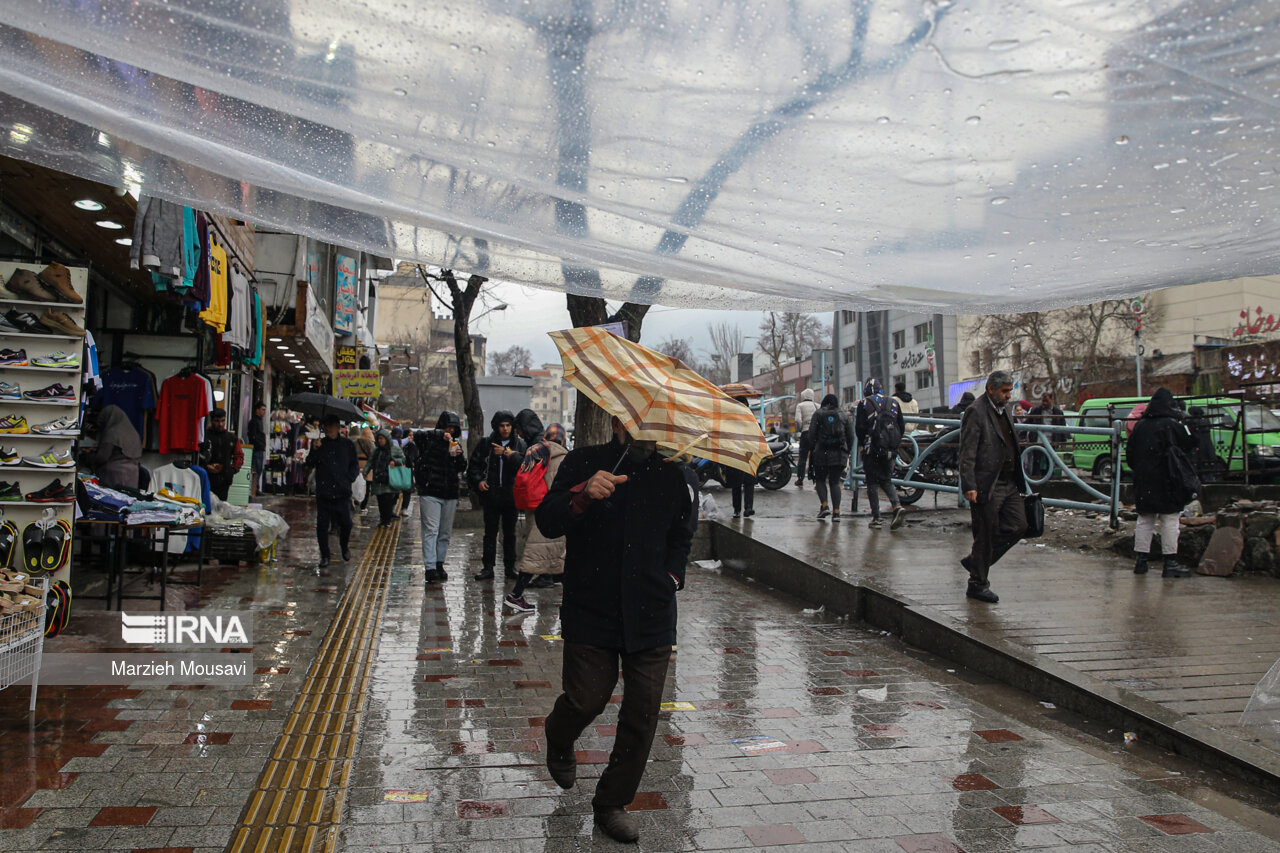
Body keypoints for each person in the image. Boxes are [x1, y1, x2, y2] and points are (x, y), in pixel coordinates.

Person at [535, 416, 696, 844]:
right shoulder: (583, 463)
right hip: (593, 607)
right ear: (617, 423)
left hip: (652, 613)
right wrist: (582, 495)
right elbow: (548, 521)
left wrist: (672, 577)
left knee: (643, 714)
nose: (650, 432)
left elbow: (683, 534)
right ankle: (559, 733)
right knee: (587, 698)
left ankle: (611, 801)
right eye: (639, 422)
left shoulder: (675, 475)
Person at [958, 370, 1028, 603]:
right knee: (986, 532)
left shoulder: (1004, 410)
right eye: (1005, 391)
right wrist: (969, 484)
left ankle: (976, 561)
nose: (1009, 396)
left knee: (1019, 525)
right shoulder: (976, 411)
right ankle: (977, 584)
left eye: (1010, 391)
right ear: (991, 389)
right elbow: (967, 451)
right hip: (987, 482)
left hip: (1008, 480)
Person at [1128, 388, 1196, 577]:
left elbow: (1130, 455)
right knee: (1170, 519)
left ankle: (1141, 561)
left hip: (1144, 480)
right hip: (1168, 480)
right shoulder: (1172, 425)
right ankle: (1170, 562)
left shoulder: (1140, 426)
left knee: (1145, 519)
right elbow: (1190, 444)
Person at [504, 422, 570, 613]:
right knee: (538, 555)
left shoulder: (538, 452)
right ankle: (515, 595)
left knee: (556, 557)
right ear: (563, 439)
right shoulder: (561, 457)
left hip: (535, 509)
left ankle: (573, 600)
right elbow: (556, 487)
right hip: (552, 514)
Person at [467, 410, 527, 580]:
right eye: (502, 426)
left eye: (508, 425)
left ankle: (510, 566)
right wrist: (479, 481)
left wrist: (510, 456)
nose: (505, 429)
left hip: (510, 495)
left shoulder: (519, 445)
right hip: (491, 494)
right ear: (496, 427)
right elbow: (474, 466)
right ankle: (488, 567)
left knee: (510, 533)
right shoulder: (486, 444)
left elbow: (525, 466)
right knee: (490, 533)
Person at [413, 412, 466, 583]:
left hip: (449, 492)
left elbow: (461, 467)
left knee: (444, 532)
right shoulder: (430, 440)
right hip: (430, 491)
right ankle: (430, 567)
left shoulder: (455, 444)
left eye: (453, 428)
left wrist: (458, 456)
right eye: (448, 427)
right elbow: (417, 436)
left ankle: (439, 562)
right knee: (431, 530)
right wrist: (438, 435)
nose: (450, 430)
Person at [305, 414, 359, 567]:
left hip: (342, 492)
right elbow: (309, 463)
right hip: (324, 492)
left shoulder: (347, 445)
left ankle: (344, 546)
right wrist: (315, 450)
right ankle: (325, 555)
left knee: (346, 523)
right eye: (326, 426)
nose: (328, 429)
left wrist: (349, 478)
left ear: (338, 427)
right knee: (322, 525)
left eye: (331, 426)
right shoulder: (320, 444)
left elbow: (354, 465)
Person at [855, 379, 907, 530]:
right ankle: (897, 505)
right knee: (886, 479)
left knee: (872, 481)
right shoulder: (894, 403)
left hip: (872, 448)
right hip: (890, 449)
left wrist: (863, 444)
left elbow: (860, 428)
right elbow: (901, 426)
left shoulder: (864, 403)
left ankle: (876, 517)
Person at [807, 393, 854, 520]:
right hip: (839, 454)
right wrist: (847, 451)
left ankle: (825, 505)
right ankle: (837, 512)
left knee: (820, 480)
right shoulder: (843, 415)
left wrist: (813, 448)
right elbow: (851, 436)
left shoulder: (818, 414)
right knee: (835, 482)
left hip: (821, 452)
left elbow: (811, 435)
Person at [93, 404, 142, 491]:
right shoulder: (133, 432)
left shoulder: (112, 433)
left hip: (114, 475)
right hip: (133, 474)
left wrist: (88, 457)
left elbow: (102, 457)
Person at [725, 395, 758, 519]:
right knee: (737, 484)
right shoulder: (730, 419)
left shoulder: (750, 419)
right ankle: (738, 509)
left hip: (747, 453)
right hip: (736, 453)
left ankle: (747, 508)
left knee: (747, 483)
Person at [364, 429, 406, 527]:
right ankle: (383, 519)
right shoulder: (376, 450)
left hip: (389, 479)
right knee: (381, 501)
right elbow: (370, 461)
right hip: (378, 479)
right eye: (378, 438)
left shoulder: (395, 449)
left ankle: (386, 520)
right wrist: (366, 471)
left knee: (387, 501)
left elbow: (403, 459)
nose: (380, 440)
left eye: (382, 438)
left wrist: (395, 461)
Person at [200, 408, 243, 501]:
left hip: (224, 479)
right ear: (212, 421)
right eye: (217, 421)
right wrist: (205, 466)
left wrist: (232, 470)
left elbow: (239, 455)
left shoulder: (231, 438)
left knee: (221, 506)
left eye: (223, 421)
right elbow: (199, 454)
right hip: (206, 477)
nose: (220, 424)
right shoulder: (205, 436)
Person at [1028, 393, 1067, 477]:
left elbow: (1063, 427)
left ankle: (1050, 478)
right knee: (1036, 461)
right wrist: (1022, 436)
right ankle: (1036, 479)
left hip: (1051, 441)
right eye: (1043, 401)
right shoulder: (1036, 411)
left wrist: (1063, 441)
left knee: (1050, 461)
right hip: (1038, 440)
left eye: (1046, 401)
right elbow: (1028, 423)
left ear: (1051, 400)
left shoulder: (1058, 412)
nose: (1044, 403)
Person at [792, 388, 818, 488]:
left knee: (802, 457)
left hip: (805, 432)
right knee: (815, 457)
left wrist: (800, 429)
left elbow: (798, 420)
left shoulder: (800, 406)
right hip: (815, 434)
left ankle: (800, 478)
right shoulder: (817, 406)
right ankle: (816, 480)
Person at [246, 402, 267, 497]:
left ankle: (255, 488)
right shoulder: (254, 421)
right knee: (255, 469)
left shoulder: (259, 421)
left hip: (259, 449)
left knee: (259, 469)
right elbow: (253, 436)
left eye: (265, 410)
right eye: (262, 409)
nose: (264, 412)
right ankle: (254, 489)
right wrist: (258, 444)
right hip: (256, 449)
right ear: (257, 410)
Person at [353, 426, 375, 511]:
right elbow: (373, 455)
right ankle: (363, 505)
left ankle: (356, 499)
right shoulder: (370, 443)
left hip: (357, 465)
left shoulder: (355, 442)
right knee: (367, 486)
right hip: (367, 465)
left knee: (356, 483)